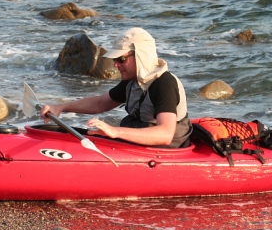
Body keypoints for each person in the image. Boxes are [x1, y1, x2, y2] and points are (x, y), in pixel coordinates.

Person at [41, 27, 193, 148]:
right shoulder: (133, 80)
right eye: (115, 59)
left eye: (121, 59)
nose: (115, 65)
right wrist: (61, 107)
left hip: (165, 151)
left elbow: (165, 135)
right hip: (140, 144)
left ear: (141, 56)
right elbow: (102, 102)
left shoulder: (164, 83)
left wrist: (115, 132)